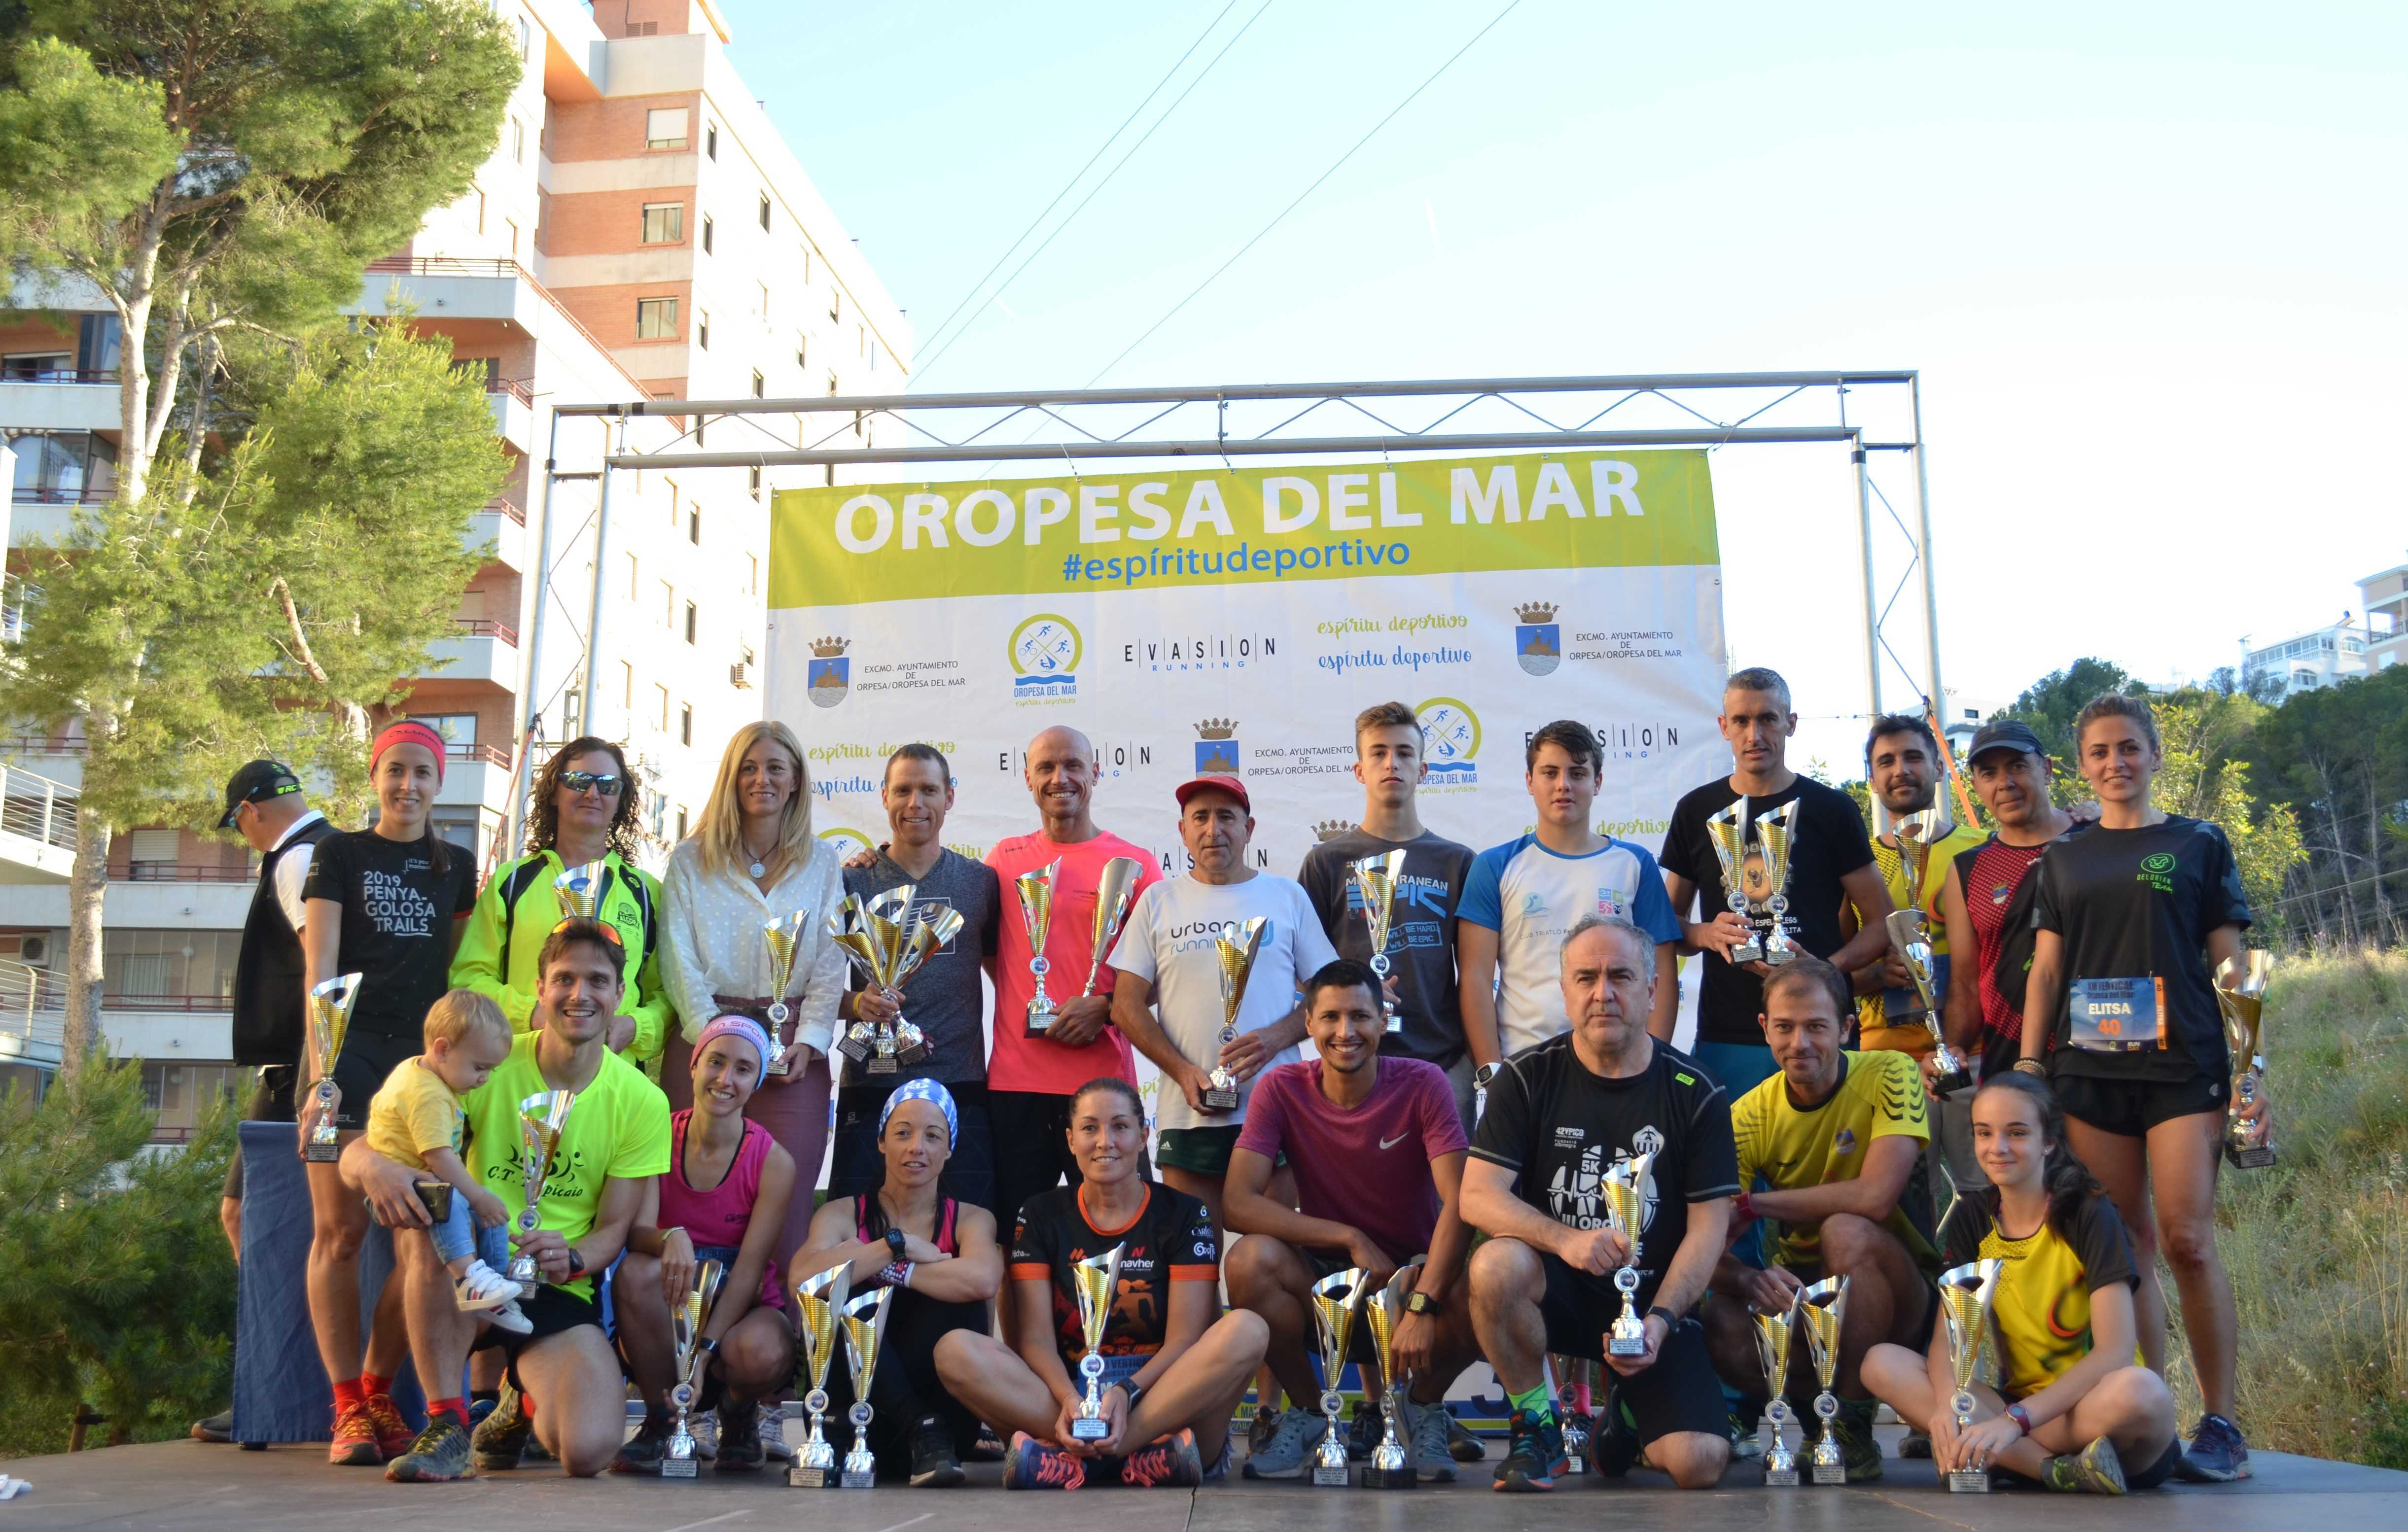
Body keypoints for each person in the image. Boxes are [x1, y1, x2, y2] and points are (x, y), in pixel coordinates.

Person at [2019, 693, 2260, 1481]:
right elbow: (2047, 971)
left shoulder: (2199, 843)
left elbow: (2234, 967)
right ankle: (2150, 1423)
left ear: (2155, 755)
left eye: (2129, 747)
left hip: (2184, 1065)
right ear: (2081, 766)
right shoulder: (2064, 857)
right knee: (2128, 1245)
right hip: (2090, 1070)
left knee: (2188, 1239)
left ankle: (2222, 1425)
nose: (2116, 762)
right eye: (2100, 751)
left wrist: (2253, 1067)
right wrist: (2029, 1066)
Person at [354, 918, 671, 1481]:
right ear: (540, 988)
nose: (580, 994)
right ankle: (448, 1426)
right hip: (468, 1269)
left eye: (598, 981)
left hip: (554, 1285)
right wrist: (373, 1168)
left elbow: (614, 1231)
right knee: (433, 1215)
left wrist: (572, 1256)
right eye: (564, 978)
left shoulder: (643, 1100)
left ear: (620, 995)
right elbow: (368, 1146)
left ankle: (517, 1400)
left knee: (587, 1451)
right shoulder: (486, 1061)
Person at [1462, 915, 1738, 1493]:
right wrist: (1567, 1241)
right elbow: (1477, 1196)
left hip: (1650, 1305)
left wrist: (1660, 1323)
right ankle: (1536, 1429)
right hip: (1557, 1295)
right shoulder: (1526, 1077)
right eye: (1586, 978)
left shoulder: (1698, 1092)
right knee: (1494, 1265)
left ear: (1653, 989)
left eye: (1621, 976)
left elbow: (1708, 1231)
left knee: (1699, 1464)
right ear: (1565, 991)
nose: (1603, 993)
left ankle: (1624, 1421)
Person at [932, 1078, 1268, 1489]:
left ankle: (1081, 1458)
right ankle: (1130, 1457)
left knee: (1248, 1329)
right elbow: (1035, 1341)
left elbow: (1185, 1340)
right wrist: (1071, 1402)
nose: (1105, 1142)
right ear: (1071, 1140)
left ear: (1144, 1136)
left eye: (1120, 1127)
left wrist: (1126, 1393)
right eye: (1090, 1128)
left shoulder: (1183, 1212)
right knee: (954, 1350)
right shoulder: (1039, 1214)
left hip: (1163, 1398)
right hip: (1069, 1400)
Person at [1223, 958, 1480, 1483]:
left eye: (1360, 1016)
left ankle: (1422, 1407)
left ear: (1384, 1020)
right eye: (1331, 1017)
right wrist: (1348, 1237)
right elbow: (1238, 1204)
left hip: (1411, 1278)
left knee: (1488, 1276)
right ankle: (1311, 1412)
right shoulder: (1281, 1088)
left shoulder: (1424, 1083)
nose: (1346, 1032)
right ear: (1309, 1024)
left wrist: (1425, 1301)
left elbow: (1461, 1201)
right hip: (1323, 1282)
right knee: (1249, 1261)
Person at [298, 721, 478, 1467]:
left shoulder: (457, 866)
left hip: (419, 1071)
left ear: (439, 784)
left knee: (422, 1238)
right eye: (395, 770)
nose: (408, 785)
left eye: (422, 773)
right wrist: (322, 1078)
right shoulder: (338, 853)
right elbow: (321, 969)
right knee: (339, 1235)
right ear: (375, 776)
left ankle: (377, 1391)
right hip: (342, 1057)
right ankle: (346, 1407)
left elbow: (455, 977)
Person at [1862, 1073, 2179, 1494]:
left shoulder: (2087, 1210)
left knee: (2143, 1391)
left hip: (2093, 1409)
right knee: (1882, 1363)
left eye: (2017, 1133)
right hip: (2014, 1410)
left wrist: (2014, 1423)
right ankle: (2053, 1470)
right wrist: (1946, 1408)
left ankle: (1999, 1453)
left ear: (2049, 1141)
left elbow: (2115, 1352)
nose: (1998, 1148)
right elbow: (1948, 1341)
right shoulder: (1973, 1218)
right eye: (1984, 1133)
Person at [1700, 957, 1939, 1481]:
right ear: (1764, 1029)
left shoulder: (1891, 1070)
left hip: (1901, 1299)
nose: (1800, 1043)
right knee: (1720, 1318)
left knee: (1845, 1230)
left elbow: (1876, 1198)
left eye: (1816, 1027)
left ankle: (1851, 1426)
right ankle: (1817, 1420)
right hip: (1807, 1299)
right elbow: (1705, 1245)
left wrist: (1757, 1204)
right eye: (1785, 1027)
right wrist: (1748, 1279)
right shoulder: (1746, 1115)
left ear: (1847, 1028)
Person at [659, 721, 848, 1273]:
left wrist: (811, 1039)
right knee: (689, 1203)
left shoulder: (823, 862)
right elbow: (677, 957)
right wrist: (716, 1039)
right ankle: (688, 1325)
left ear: (795, 782)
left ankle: (777, 1326)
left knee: (787, 1213)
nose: (761, 779)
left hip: (793, 1055)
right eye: (749, 768)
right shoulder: (690, 860)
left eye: (775, 768)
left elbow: (831, 959)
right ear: (731, 778)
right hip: (704, 1043)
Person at [1109, 773, 1336, 1232]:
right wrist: (1182, 1071)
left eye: (1226, 817)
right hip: (1188, 1112)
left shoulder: (1287, 897)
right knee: (1194, 1257)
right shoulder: (1158, 901)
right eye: (1201, 818)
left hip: (1276, 1107)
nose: (1213, 829)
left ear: (1249, 829)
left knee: (1270, 1252)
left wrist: (1275, 1038)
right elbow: (1125, 1006)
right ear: (1183, 831)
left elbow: (1326, 994)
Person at [1660, 668, 1893, 1105]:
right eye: (1742, 721)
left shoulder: (1832, 809)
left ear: (1791, 723)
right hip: (1729, 1032)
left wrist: (1825, 969)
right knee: (1732, 1150)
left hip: (1820, 1027)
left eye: (1768, 718)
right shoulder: (1695, 810)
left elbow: (1882, 922)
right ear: (1724, 727)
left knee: (1832, 1150)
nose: (1755, 735)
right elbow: (1668, 924)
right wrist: (1707, 933)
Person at [192, 759, 332, 1445]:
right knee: (281, 1225)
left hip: (299, 1075)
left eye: (238, 825)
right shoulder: (326, 849)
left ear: (249, 811)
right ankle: (279, 1386)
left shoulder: (297, 858)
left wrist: (315, 1082)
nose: (244, 836)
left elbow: (323, 976)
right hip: (301, 1071)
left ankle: (273, 1389)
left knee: (257, 1219)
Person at [984, 726, 1164, 1243]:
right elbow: (992, 955)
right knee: (1015, 1241)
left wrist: (1104, 1007)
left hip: (1103, 1085)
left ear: (1096, 773)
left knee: (1129, 1237)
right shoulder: (1003, 860)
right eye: (1046, 767)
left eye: (1073, 765)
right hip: (1016, 1085)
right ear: (1027, 778)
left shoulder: (1136, 865)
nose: (1059, 778)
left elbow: (1157, 975)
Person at [793, 1078, 1004, 1487]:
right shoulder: (841, 1214)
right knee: (843, 1289)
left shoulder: (972, 1219)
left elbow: (982, 1280)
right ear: (881, 1142)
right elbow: (802, 1281)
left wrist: (898, 1270)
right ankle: (916, 1420)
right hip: (851, 1422)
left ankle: (924, 1423)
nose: (917, 1147)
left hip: (943, 1438)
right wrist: (894, 1245)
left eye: (933, 1136)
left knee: (954, 1295)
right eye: (903, 1133)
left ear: (950, 1148)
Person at [612, 1014, 798, 1474]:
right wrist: (670, 1236)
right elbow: (635, 1233)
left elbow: (750, 1270)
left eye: (743, 1069)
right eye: (715, 1061)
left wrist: (703, 1356)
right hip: (671, 1307)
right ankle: (662, 1419)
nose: (725, 1079)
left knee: (761, 1352)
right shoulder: (656, 1133)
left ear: (757, 1082)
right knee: (635, 1272)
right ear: (693, 1066)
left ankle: (737, 1413)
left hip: (739, 1316)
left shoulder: (774, 1161)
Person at [829, 744, 1002, 1212]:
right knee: (857, 1226)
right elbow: (818, 987)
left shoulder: (981, 882)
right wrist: (855, 1004)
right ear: (884, 796)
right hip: (871, 1084)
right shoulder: (851, 882)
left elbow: (1007, 971)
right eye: (903, 790)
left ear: (950, 797)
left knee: (967, 1230)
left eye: (928, 790)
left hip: (959, 1085)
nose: (915, 804)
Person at [1459, 720, 1682, 1081]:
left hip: (1618, 1066)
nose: (1563, 785)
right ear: (1530, 781)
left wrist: (1651, 1064)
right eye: (1550, 773)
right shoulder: (1494, 866)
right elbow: (1475, 977)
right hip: (1523, 1066)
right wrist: (1491, 1070)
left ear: (1598, 782)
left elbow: (1663, 971)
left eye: (1577, 773)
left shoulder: (1635, 863)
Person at [1295, 701, 1478, 1125]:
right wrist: (1355, 991)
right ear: (1360, 770)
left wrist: (1474, 1060)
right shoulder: (1326, 862)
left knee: (1449, 1174)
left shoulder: (1457, 862)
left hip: (1443, 1064)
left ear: (1423, 770)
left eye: (1404, 753)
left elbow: (1475, 973)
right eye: (1378, 753)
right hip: (1351, 1064)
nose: (1391, 763)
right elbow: (1302, 971)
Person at [452, 736, 670, 1061]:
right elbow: (468, 979)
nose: (593, 793)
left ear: (620, 799)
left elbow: (666, 994)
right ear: (554, 792)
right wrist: (533, 1015)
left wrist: (635, 1026)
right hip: (518, 1068)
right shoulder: (511, 883)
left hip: (613, 1076)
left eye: (608, 785)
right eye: (579, 780)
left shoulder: (647, 892)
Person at [361, 989, 528, 1329]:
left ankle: (495, 1289)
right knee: (456, 1199)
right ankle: (469, 1279)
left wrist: (482, 1200)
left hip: (421, 1183)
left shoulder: (426, 1073)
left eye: (491, 1070)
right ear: (442, 1050)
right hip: (400, 1193)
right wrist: (476, 1197)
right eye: (480, 1067)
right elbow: (438, 1157)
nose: (484, 1079)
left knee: (492, 1212)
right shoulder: (429, 1095)